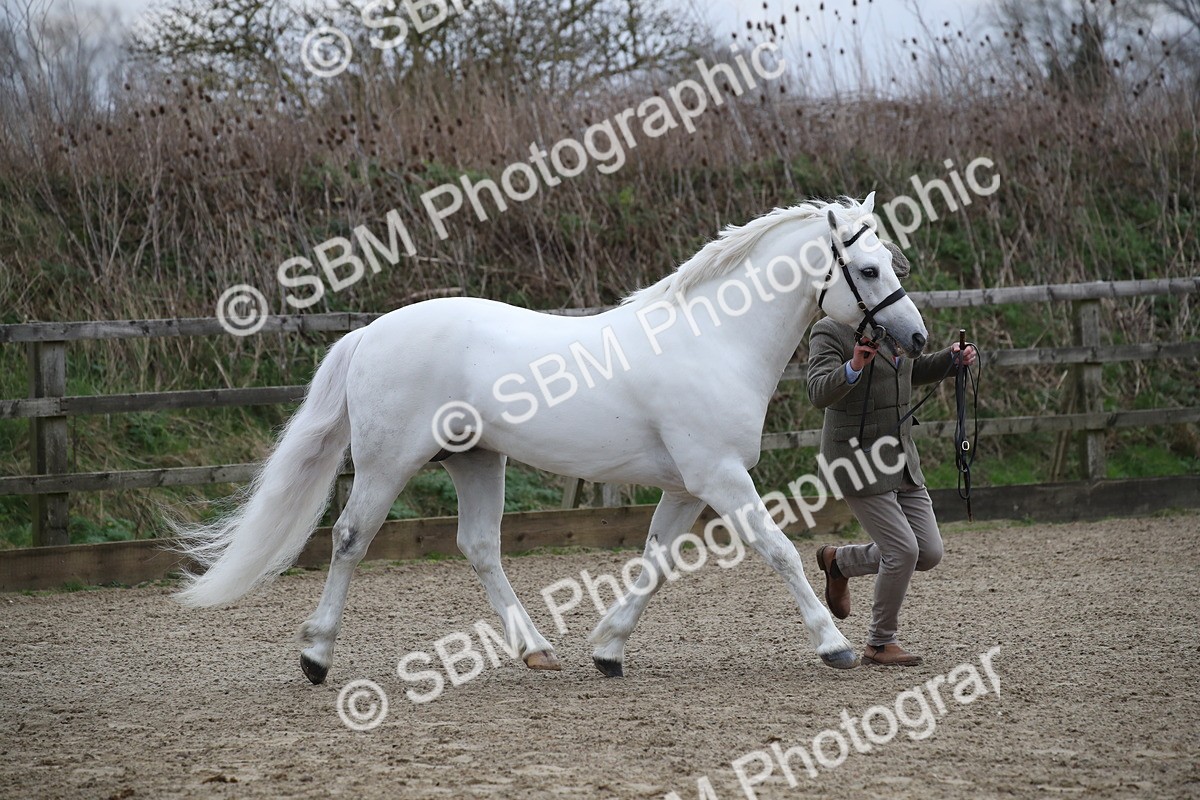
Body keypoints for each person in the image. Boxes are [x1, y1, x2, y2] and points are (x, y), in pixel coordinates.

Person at [807, 317, 977, 666]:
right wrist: (853, 367)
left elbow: (910, 371)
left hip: (900, 457)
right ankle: (880, 642)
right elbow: (817, 391)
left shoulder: (897, 320)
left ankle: (839, 562)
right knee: (902, 551)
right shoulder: (830, 330)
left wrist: (950, 360)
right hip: (856, 460)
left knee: (928, 552)